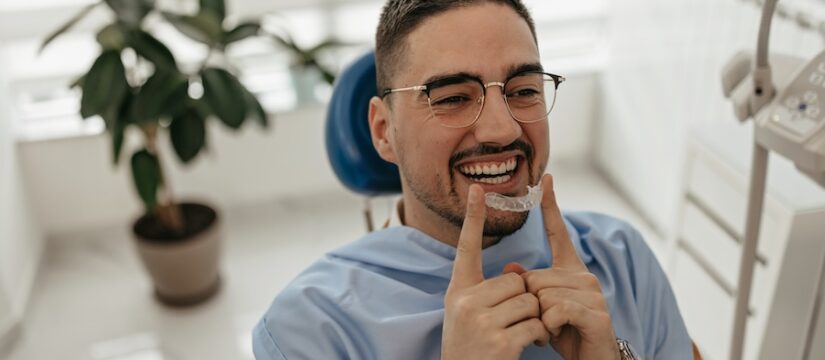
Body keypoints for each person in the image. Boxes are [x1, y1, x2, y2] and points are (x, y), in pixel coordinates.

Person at [253, 1, 695, 359]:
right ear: (384, 132)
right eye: (453, 98)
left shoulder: (622, 259)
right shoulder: (310, 330)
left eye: (523, 90)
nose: (503, 130)